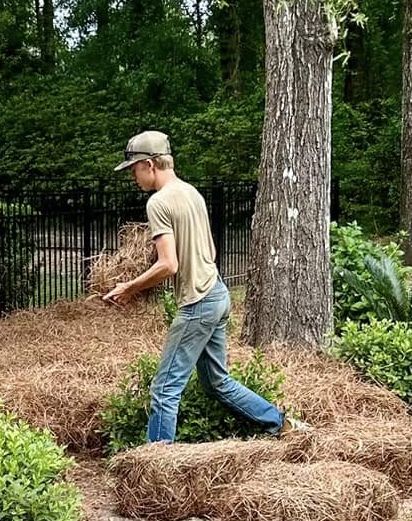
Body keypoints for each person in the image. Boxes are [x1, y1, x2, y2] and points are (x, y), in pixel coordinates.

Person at [102, 129, 287, 444]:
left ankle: (156, 464)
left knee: (164, 390)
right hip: (217, 293)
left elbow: (168, 265)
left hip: (198, 304)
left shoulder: (158, 202)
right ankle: (277, 422)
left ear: (149, 164)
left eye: (134, 170)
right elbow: (210, 251)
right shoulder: (191, 193)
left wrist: (130, 287)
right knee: (216, 381)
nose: (134, 177)